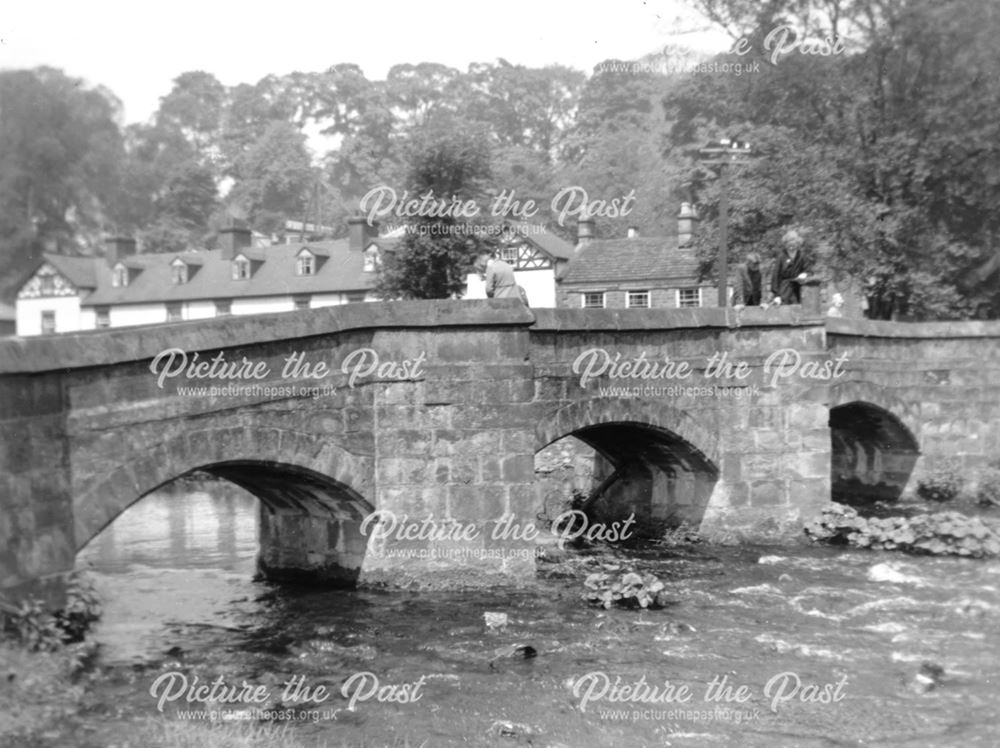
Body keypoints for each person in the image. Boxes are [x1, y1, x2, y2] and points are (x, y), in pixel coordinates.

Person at [770, 228, 810, 305]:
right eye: (789, 246)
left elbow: (808, 270)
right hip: (784, 290)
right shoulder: (781, 257)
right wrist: (776, 295)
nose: (791, 248)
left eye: (794, 245)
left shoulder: (802, 256)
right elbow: (775, 276)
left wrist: (804, 274)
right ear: (785, 245)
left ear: (798, 244)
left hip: (798, 290)